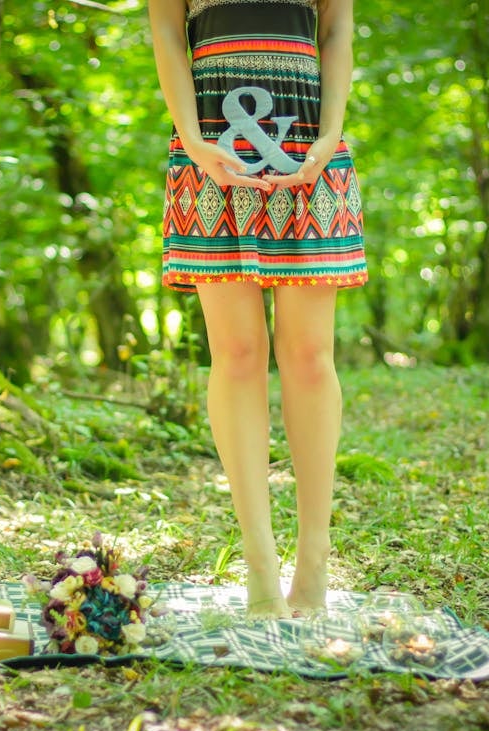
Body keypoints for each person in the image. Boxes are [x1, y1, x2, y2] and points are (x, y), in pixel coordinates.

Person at [149, 0, 367, 618]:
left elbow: (337, 27)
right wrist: (191, 138)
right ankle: (260, 565)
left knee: (307, 356)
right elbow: (165, 27)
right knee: (238, 355)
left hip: (308, 148)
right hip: (212, 150)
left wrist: (329, 133)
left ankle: (315, 563)